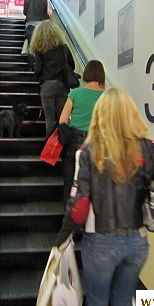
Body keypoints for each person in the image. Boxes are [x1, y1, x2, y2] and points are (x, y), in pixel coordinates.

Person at [55, 88, 154, 306]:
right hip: (137, 242)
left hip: (100, 242)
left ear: (100, 115)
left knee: (97, 302)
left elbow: (79, 206)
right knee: (124, 302)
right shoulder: (148, 147)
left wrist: (62, 238)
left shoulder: (88, 152)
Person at [59, 60, 105, 203]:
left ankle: (69, 212)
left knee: (69, 178)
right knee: (93, 180)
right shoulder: (106, 97)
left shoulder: (76, 93)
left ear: (86, 73)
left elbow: (63, 120)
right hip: (96, 142)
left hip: (74, 139)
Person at [31, 21, 75, 138]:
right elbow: (72, 65)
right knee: (63, 118)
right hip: (62, 86)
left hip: (47, 87)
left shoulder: (40, 51)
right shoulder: (64, 48)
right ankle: (64, 147)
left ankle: (51, 150)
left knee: (50, 119)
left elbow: (37, 71)